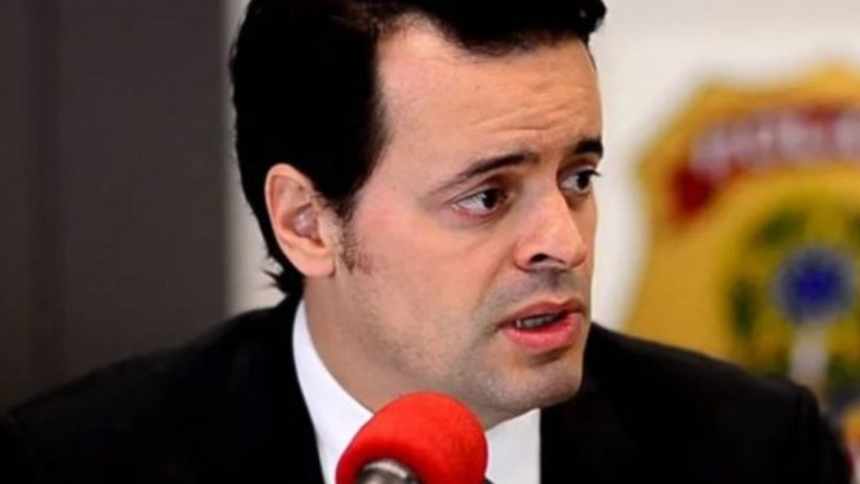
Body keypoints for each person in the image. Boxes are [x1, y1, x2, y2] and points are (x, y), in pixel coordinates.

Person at [0, 0, 852, 483]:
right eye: (486, 197)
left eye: (578, 178)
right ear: (307, 222)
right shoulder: (74, 468)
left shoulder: (755, 454)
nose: (563, 242)